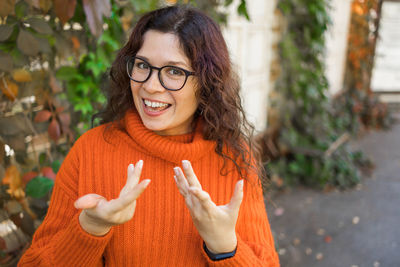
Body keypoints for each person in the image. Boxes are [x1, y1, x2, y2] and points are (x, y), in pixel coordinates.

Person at [19, 5, 280, 267]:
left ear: (207, 82)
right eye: (143, 65)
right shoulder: (91, 150)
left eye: (174, 71)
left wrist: (224, 247)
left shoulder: (233, 159)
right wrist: (90, 228)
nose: (150, 86)